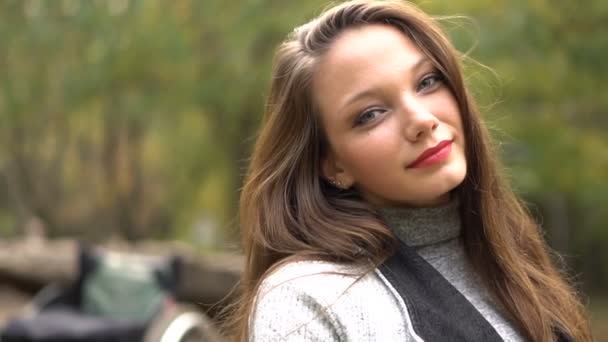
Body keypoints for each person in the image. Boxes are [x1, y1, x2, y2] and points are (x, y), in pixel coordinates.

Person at [226, 1, 592, 341]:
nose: (421, 119)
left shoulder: (512, 262)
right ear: (333, 164)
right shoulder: (307, 299)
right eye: (371, 114)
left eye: (427, 82)